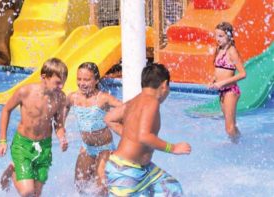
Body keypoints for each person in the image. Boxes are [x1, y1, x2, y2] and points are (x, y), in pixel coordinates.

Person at [104, 63, 191, 197]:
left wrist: (129, 135)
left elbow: (109, 118)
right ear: (164, 84)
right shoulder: (152, 101)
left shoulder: (133, 101)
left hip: (143, 170)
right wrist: (173, 148)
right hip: (125, 171)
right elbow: (144, 136)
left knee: (172, 189)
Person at [0, 58, 69, 197]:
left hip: (44, 147)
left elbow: (59, 124)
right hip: (23, 145)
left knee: (36, 194)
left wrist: (62, 138)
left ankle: (16, 170)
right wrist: (2, 141)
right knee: (27, 192)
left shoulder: (60, 97)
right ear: (44, 77)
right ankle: (13, 171)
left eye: (63, 83)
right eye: (58, 82)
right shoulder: (25, 92)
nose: (61, 87)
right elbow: (6, 110)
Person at [65, 62, 122, 195]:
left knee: (100, 187)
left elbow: (124, 108)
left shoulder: (103, 98)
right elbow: (63, 108)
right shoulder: (73, 97)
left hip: (105, 148)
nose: (82, 83)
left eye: (87, 79)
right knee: (80, 184)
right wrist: (61, 129)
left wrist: (118, 123)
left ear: (96, 80)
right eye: (79, 79)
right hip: (87, 147)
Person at [208, 22, 246, 142]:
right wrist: (213, 80)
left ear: (229, 36)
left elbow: (243, 74)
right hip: (222, 91)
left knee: (229, 129)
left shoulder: (231, 51)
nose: (217, 39)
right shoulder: (219, 49)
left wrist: (222, 83)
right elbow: (218, 70)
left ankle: (239, 145)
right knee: (231, 125)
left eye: (221, 36)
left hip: (230, 91)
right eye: (216, 35)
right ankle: (239, 142)